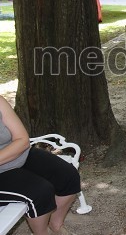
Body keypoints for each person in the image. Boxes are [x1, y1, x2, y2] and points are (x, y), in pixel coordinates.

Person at [0, 95, 81, 235]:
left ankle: (56, 225)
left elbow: (22, 139)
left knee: (68, 176)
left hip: (19, 154)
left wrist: (15, 150)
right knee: (41, 192)